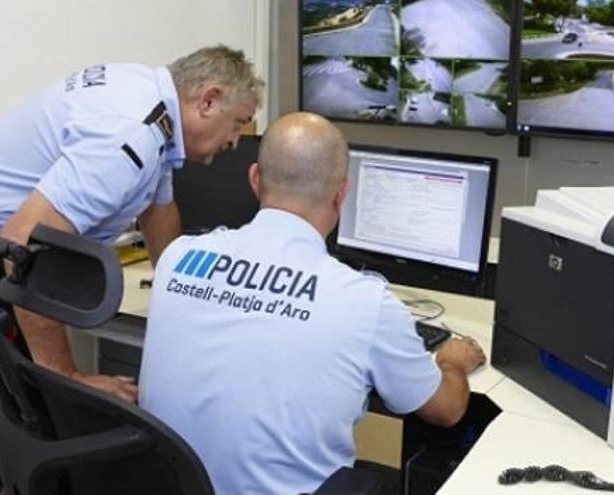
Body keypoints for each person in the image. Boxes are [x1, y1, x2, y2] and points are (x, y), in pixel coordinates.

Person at [0, 45, 263, 495]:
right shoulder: (130, 133)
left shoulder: (151, 109)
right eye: (237, 124)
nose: (236, 141)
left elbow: (158, 213)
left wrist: (189, 297)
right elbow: (20, 249)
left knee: (33, 432)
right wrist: (69, 379)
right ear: (208, 99)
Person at [139, 112, 486, 495]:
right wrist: (452, 362)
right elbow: (445, 410)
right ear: (341, 193)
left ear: (255, 179)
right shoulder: (364, 303)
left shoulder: (177, 258)